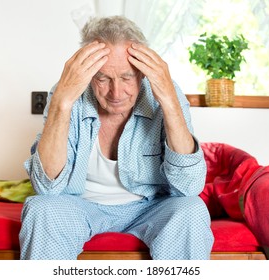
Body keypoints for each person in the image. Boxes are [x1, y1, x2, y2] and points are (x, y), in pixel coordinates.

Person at [19, 15, 214, 260]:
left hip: (150, 206)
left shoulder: (165, 92)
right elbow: (46, 187)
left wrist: (168, 101)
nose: (116, 92)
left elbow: (189, 186)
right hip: (81, 205)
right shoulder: (68, 94)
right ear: (88, 75)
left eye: (127, 77)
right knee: (40, 209)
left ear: (142, 74)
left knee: (192, 209)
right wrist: (62, 102)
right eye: (103, 78)